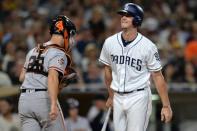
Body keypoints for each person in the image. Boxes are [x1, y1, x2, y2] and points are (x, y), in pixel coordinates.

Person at [99, 3, 173, 131]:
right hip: (117, 96)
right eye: (123, 14)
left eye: (128, 15)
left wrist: (166, 105)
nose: (123, 17)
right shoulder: (110, 42)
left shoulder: (148, 46)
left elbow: (157, 76)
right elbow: (107, 69)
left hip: (138, 96)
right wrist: (111, 95)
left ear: (137, 19)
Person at [18, 15, 77, 131]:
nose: (71, 38)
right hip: (43, 100)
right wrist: (53, 104)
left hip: (24, 101)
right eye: (71, 34)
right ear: (65, 33)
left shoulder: (33, 50)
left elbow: (22, 77)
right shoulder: (59, 53)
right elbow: (52, 78)